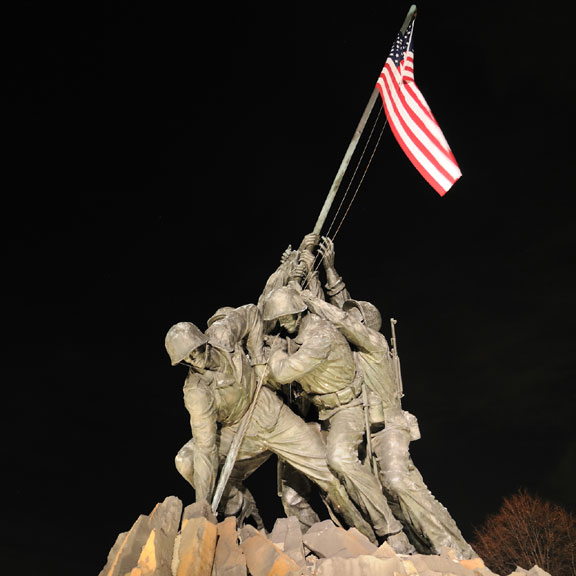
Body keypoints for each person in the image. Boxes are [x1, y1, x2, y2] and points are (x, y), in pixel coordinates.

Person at [303, 236, 477, 559]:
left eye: (355, 317)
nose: (348, 318)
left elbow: (340, 317)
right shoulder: (350, 350)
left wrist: (315, 300)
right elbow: (339, 314)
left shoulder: (376, 344)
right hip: (365, 428)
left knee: (398, 482)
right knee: (377, 491)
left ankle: (452, 547)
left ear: (366, 325)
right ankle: (408, 544)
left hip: (389, 428)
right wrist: (322, 273)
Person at [164, 303, 377, 542]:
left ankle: (366, 533)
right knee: (186, 461)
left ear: (202, 340)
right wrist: (202, 506)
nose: (195, 359)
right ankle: (241, 510)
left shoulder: (223, 333)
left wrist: (257, 361)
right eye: (187, 358)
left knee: (328, 473)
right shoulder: (196, 391)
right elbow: (205, 447)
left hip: (272, 415)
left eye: (195, 350)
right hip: (237, 432)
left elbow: (253, 314)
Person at [261, 285, 405, 542]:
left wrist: (276, 350)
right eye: (279, 320)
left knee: (339, 458)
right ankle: (342, 533)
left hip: (347, 408)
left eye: (287, 317)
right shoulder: (295, 336)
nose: (283, 324)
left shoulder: (321, 335)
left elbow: (282, 372)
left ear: (301, 313)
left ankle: (391, 530)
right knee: (302, 465)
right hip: (323, 413)